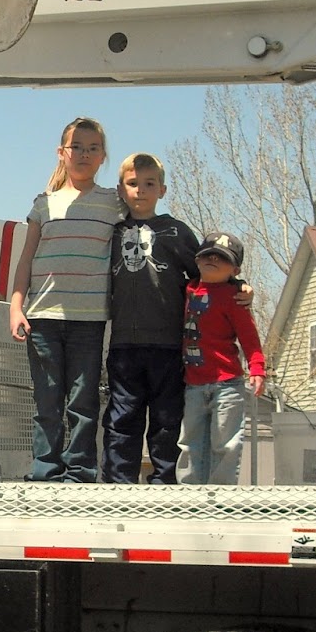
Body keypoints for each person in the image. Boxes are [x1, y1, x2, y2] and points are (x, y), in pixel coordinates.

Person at [8, 117, 122, 482]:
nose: (84, 154)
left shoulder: (113, 203)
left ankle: (81, 470)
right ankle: (46, 469)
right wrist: (16, 307)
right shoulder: (44, 204)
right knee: (47, 399)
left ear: (102, 156)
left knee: (83, 400)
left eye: (93, 148)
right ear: (62, 153)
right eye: (77, 147)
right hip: (43, 317)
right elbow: (26, 259)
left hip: (89, 318)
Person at [101, 152, 200, 484]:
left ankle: (165, 482)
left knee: (167, 419)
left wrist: (237, 285)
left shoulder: (176, 231)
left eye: (149, 184)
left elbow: (205, 274)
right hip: (124, 345)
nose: (140, 190)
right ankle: (119, 484)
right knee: (122, 417)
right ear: (120, 189)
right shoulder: (112, 233)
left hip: (167, 345)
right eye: (133, 183)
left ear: (162, 190)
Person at [178, 232, 266, 486]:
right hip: (193, 384)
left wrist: (257, 369)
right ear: (197, 260)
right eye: (208, 255)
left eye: (222, 258)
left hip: (227, 384)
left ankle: (221, 497)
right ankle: (188, 494)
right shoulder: (187, 290)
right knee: (189, 442)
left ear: (235, 269)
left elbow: (249, 338)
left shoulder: (234, 297)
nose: (213, 260)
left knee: (225, 444)